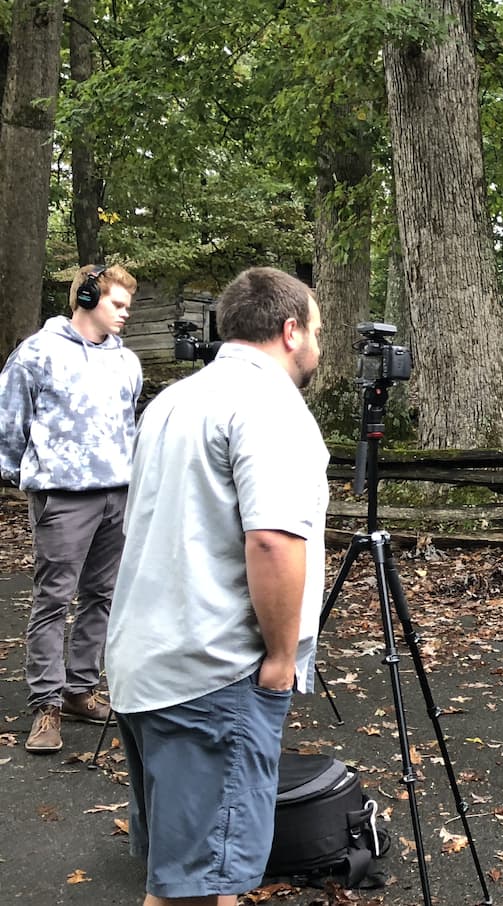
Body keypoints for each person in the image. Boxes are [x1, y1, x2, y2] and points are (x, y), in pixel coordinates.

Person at [105, 267, 327, 906]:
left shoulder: (173, 400)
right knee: (194, 892)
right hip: (213, 675)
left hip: (148, 660)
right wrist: (281, 659)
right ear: (290, 331)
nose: (318, 344)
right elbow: (273, 540)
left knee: (199, 876)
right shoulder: (270, 406)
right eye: (316, 331)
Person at [0, 264, 141, 755]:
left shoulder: (127, 361)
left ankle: (80, 690)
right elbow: (9, 421)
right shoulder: (37, 353)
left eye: (128, 305)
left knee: (101, 595)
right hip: (62, 497)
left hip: (117, 494)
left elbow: (129, 423)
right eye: (117, 303)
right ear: (86, 297)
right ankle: (47, 704)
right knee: (53, 600)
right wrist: (23, 476)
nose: (125, 313)